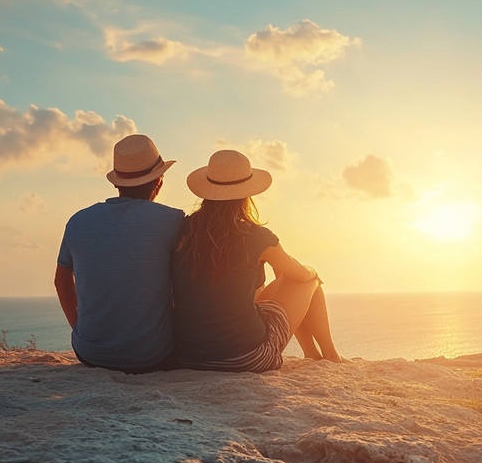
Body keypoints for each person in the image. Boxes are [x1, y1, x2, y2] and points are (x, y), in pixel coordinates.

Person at [172, 149, 342, 372]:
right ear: (246, 195)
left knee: (269, 290)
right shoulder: (256, 237)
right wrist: (310, 273)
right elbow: (299, 275)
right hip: (247, 357)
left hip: (189, 357)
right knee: (310, 278)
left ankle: (313, 354)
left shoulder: (184, 230)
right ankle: (329, 354)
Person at [54, 134, 185, 373]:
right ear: (160, 182)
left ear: (116, 183)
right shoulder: (173, 221)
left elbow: (61, 281)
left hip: (90, 354)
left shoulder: (78, 221)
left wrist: (79, 330)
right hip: (153, 358)